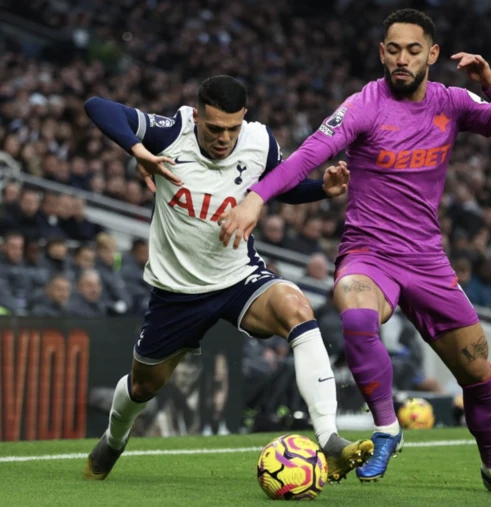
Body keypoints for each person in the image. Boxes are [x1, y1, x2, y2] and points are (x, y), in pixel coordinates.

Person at [218, 9, 491, 496]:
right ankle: (387, 428)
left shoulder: (453, 101)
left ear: (432, 54)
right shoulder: (363, 105)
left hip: (427, 261)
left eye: (413, 50)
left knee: (478, 373)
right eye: (393, 49)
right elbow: (311, 153)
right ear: (381, 52)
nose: (402, 58)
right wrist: (257, 197)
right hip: (369, 255)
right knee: (354, 310)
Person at [82, 75, 372, 481]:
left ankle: (330, 440)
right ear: (197, 116)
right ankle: (113, 440)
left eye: (232, 128)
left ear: (244, 118)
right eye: (214, 127)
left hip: (238, 279)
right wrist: (137, 150)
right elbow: (97, 104)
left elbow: (280, 186)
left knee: (297, 308)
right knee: (143, 387)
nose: (224, 137)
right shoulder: (171, 133)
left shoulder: (259, 141)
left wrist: (320, 190)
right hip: (177, 292)